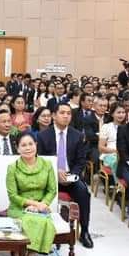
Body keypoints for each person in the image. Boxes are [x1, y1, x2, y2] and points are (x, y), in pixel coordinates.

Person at [37, 103, 93, 247]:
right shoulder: (43, 136)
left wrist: (71, 176)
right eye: (62, 113)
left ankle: (84, 231)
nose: (66, 116)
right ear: (54, 116)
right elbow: (40, 160)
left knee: (83, 192)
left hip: (70, 177)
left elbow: (81, 161)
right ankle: (45, 230)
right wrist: (55, 172)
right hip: (50, 177)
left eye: (68, 113)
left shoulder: (78, 136)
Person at [6, 131, 58, 256]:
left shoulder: (47, 165)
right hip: (19, 208)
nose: (28, 148)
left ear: (36, 145)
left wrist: (42, 205)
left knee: (43, 221)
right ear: (18, 149)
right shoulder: (13, 168)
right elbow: (13, 195)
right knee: (30, 220)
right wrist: (34, 204)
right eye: (23, 145)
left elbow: (52, 190)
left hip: (41, 208)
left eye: (30, 144)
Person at [98, 104, 125, 171]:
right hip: (110, 155)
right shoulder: (106, 127)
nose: (121, 115)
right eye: (118, 112)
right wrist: (116, 151)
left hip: (125, 155)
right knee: (117, 162)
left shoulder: (128, 127)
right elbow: (101, 148)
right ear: (112, 114)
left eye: (123, 112)